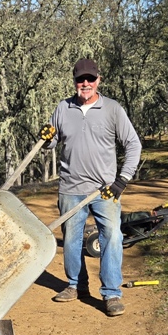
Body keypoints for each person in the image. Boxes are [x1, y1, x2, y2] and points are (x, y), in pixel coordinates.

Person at [43, 58, 142, 317]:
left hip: (104, 189)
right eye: (80, 79)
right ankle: (76, 286)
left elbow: (133, 144)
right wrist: (46, 139)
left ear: (98, 80)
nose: (85, 84)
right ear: (74, 82)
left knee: (112, 236)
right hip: (70, 187)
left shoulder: (112, 109)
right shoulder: (63, 108)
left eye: (90, 79)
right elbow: (51, 142)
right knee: (72, 240)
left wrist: (122, 180)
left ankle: (111, 293)